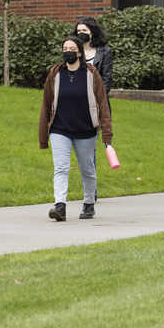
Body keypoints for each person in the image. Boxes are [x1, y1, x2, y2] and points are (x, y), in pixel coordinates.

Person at [38, 37, 113, 221]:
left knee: (87, 168)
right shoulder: (56, 73)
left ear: (79, 52)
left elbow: (102, 103)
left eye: (72, 48)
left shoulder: (91, 73)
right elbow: (46, 105)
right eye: (65, 48)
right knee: (61, 167)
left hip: (85, 129)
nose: (68, 51)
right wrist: (43, 136)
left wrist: (106, 132)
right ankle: (60, 205)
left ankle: (88, 204)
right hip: (59, 129)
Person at [75, 16, 114, 93]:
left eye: (84, 30)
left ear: (92, 32)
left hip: (96, 92)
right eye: (78, 31)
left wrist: (101, 97)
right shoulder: (74, 49)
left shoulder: (104, 51)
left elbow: (107, 77)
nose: (81, 33)